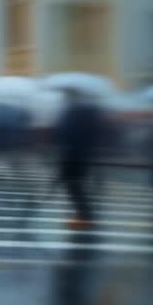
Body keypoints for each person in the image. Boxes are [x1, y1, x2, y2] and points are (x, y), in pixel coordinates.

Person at [55, 89, 103, 229]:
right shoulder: (88, 112)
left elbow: (67, 134)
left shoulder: (72, 113)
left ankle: (85, 215)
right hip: (83, 154)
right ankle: (82, 214)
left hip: (73, 154)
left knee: (73, 185)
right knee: (75, 185)